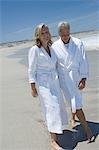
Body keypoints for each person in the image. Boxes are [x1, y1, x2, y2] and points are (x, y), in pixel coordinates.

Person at [28, 23, 68, 150]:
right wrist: (33, 87)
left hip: (54, 82)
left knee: (58, 106)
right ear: (38, 36)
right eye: (42, 33)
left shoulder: (51, 48)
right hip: (44, 84)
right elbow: (31, 70)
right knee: (51, 108)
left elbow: (57, 65)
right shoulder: (35, 50)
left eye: (47, 32)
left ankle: (55, 131)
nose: (45, 35)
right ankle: (53, 141)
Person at [52, 21, 93, 142]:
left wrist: (83, 79)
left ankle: (73, 118)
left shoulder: (78, 43)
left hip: (77, 77)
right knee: (75, 103)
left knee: (76, 100)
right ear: (59, 34)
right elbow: (53, 65)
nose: (65, 36)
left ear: (69, 31)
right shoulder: (55, 47)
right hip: (64, 80)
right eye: (63, 34)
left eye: (67, 33)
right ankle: (87, 129)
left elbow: (83, 61)